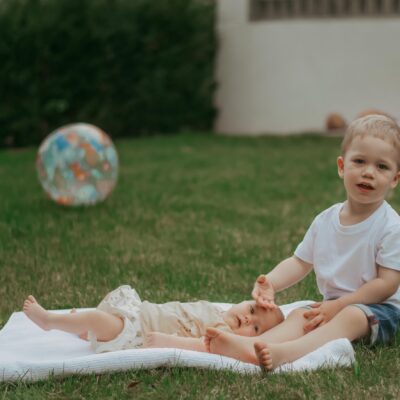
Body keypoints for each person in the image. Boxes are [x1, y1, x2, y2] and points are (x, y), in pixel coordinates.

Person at [205, 114, 400, 370]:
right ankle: (256, 346)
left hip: (383, 311)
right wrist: (270, 283)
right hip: (334, 304)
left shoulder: (390, 226)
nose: (368, 172)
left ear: (395, 179)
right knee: (301, 315)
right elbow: (299, 262)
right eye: (360, 161)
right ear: (342, 166)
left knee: (351, 316)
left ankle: (286, 352)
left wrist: (340, 305)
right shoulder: (326, 220)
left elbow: (387, 284)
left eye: (382, 167)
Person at [23, 284, 284, 354]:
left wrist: (167, 341)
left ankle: (49, 321)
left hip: (135, 331)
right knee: (107, 308)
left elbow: (203, 347)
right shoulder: (217, 311)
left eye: (256, 327)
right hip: (140, 313)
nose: (248, 320)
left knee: (95, 317)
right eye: (251, 310)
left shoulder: (221, 332)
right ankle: (83, 331)